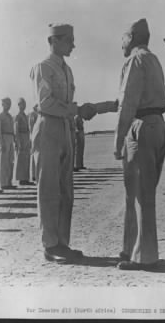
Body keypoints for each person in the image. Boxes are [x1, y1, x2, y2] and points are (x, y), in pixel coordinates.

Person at [30, 23, 96, 263]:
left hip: (65, 128)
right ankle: (50, 245)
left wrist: (77, 111)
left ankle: (62, 243)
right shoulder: (43, 68)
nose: (73, 45)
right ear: (54, 41)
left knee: (66, 190)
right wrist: (76, 109)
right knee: (48, 189)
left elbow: (65, 104)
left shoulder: (67, 70)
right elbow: (45, 103)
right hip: (48, 127)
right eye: (69, 40)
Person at [113, 18, 165, 270]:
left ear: (132, 38)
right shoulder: (154, 59)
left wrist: (118, 140)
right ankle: (132, 249)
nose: (121, 43)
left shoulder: (134, 60)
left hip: (141, 127)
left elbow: (127, 103)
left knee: (138, 194)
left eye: (123, 37)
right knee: (144, 193)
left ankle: (144, 256)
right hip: (158, 125)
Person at [0, 97, 16, 189]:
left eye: (9, 104)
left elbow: (13, 130)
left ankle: (9, 182)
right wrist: (2, 143)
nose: (8, 105)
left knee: (10, 161)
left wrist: (14, 140)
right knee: (4, 162)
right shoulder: (0, 117)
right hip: (4, 138)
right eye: (6, 103)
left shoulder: (10, 116)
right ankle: (3, 183)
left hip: (11, 138)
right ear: (2, 105)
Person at [14, 98, 33, 186]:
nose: (23, 105)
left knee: (26, 158)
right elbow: (16, 130)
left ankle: (25, 178)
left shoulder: (25, 115)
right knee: (21, 159)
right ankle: (21, 178)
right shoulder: (18, 116)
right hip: (21, 137)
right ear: (18, 105)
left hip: (26, 136)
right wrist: (18, 141)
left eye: (24, 104)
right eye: (21, 104)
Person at [28, 104, 38, 182]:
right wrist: (32, 136)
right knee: (34, 156)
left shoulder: (38, 114)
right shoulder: (33, 114)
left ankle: (37, 173)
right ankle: (34, 175)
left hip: (39, 136)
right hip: (34, 136)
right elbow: (31, 126)